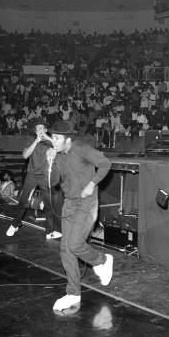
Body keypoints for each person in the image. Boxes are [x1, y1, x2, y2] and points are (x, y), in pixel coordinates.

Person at [47, 120, 113, 311]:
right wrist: (49, 163)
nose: (54, 141)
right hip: (70, 203)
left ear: (68, 139)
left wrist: (92, 184)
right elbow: (53, 183)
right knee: (66, 250)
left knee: (75, 244)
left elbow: (105, 163)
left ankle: (102, 261)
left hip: (87, 202)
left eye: (57, 138)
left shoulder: (81, 148)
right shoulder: (58, 155)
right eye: (53, 138)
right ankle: (73, 294)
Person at [6, 119, 61, 239]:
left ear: (45, 130)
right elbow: (25, 155)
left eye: (42, 128)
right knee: (23, 201)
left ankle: (49, 232)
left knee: (48, 204)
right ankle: (15, 224)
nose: (40, 130)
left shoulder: (51, 141)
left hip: (45, 176)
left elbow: (59, 147)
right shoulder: (31, 140)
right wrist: (36, 141)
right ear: (35, 131)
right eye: (38, 128)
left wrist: (48, 138)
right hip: (32, 175)